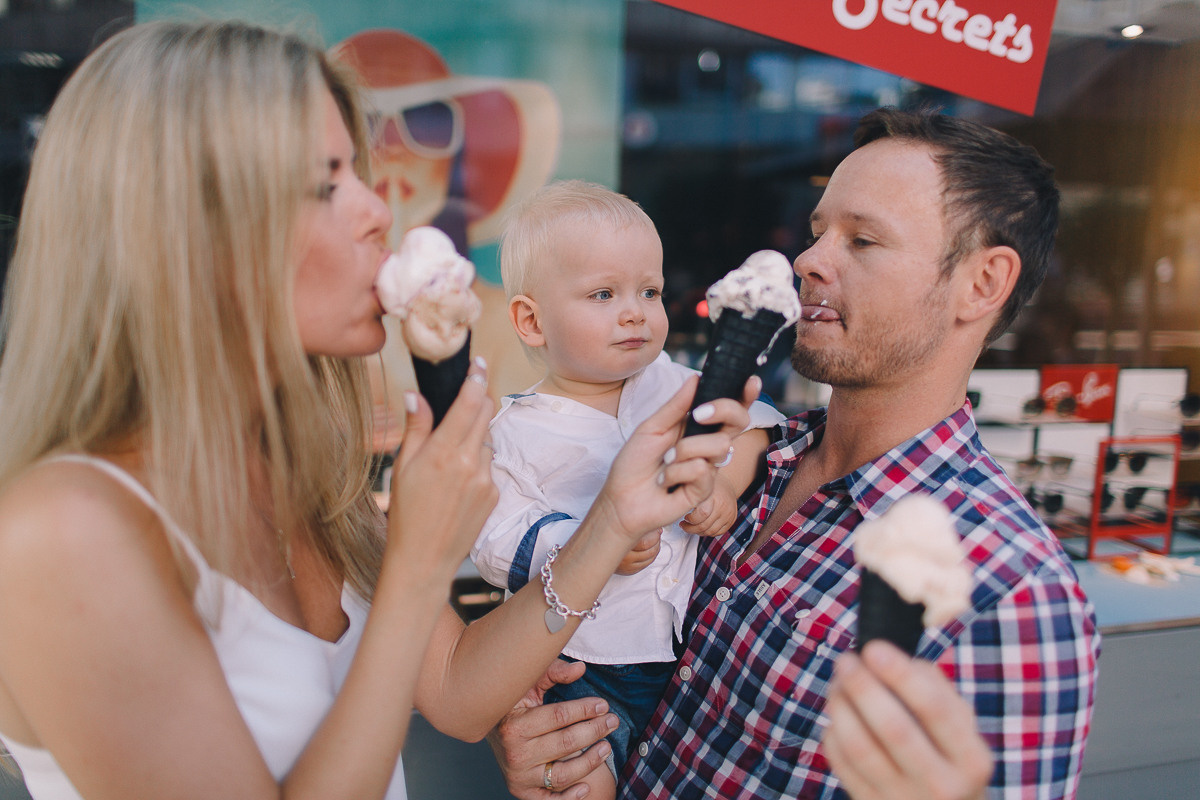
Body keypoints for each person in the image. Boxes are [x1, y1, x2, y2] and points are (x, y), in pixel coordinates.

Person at [0, 20, 755, 800]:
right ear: (191, 233)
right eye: (328, 183)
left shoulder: (310, 479)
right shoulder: (67, 529)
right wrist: (421, 564)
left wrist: (616, 521)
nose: (377, 212)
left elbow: (460, 695)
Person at [488, 108, 1101, 800]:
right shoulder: (740, 455)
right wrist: (548, 744)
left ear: (983, 283)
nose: (807, 261)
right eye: (817, 233)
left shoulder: (1012, 593)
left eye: (863, 240)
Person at [471, 180, 786, 789]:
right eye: (602, 294)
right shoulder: (513, 432)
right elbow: (495, 538)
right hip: (582, 665)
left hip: (685, 655)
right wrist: (589, 542)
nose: (635, 311)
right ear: (532, 321)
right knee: (582, 776)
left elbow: (753, 425)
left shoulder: (674, 385)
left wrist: (724, 483)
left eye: (650, 291)